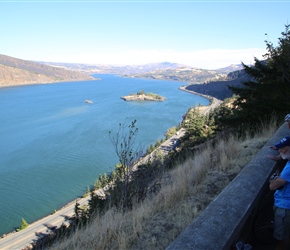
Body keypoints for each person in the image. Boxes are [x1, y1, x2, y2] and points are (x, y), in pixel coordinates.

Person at [269, 136, 290, 250]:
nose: (280, 151)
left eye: (283, 149)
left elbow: (272, 186)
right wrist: (279, 156)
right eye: (279, 148)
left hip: (285, 207)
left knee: (282, 240)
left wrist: (274, 177)